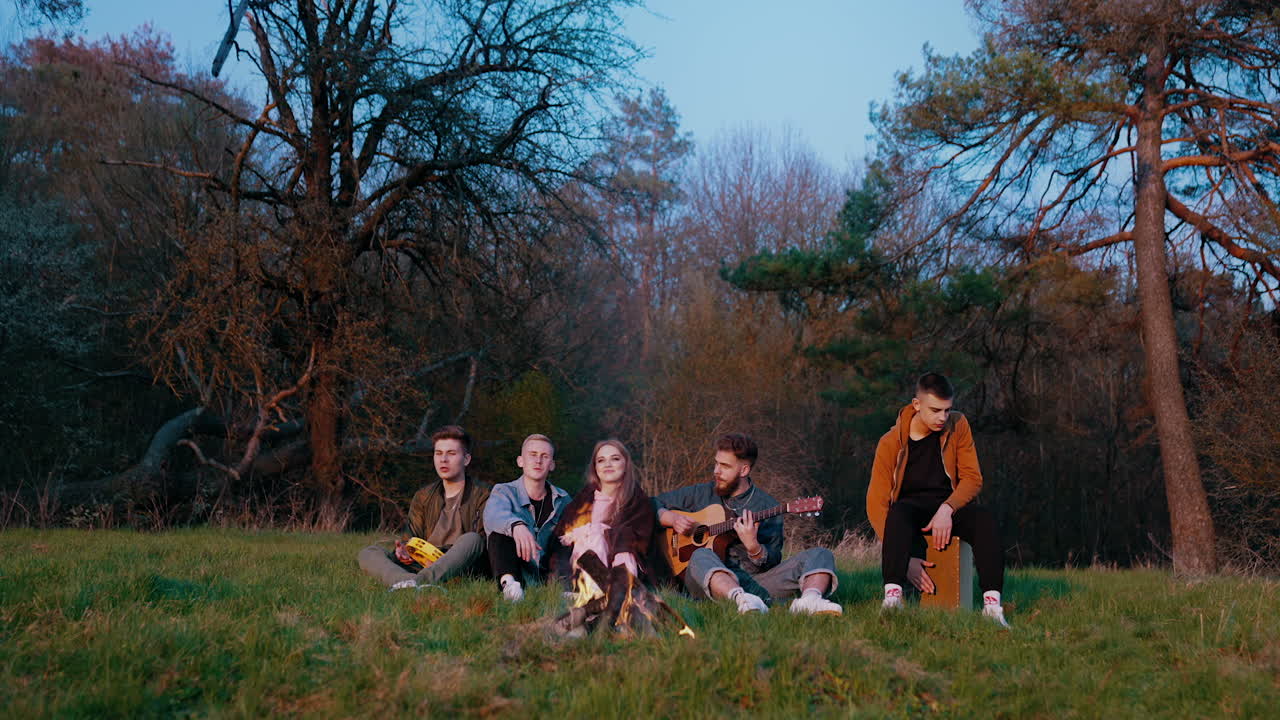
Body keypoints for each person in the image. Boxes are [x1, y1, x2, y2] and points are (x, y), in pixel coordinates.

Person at [867, 372, 1009, 627]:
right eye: (935, 410)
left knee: (984, 520)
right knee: (897, 512)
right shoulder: (890, 443)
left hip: (947, 507)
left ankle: (992, 608)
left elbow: (972, 479)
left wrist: (947, 508)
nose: (942, 418)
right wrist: (905, 560)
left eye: (947, 410)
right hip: (909, 512)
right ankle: (892, 601)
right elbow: (876, 504)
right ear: (917, 404)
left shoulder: (958, 425)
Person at [654, 433, 842, 616]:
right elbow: (648, 504)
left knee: (821, 554)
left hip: (755, 582)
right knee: (702, 553)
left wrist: (754, 547)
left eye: (725, 466)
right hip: (705, 581)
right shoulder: (700, 493)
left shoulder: (768, 507)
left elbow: (773, 562)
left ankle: (809, 601)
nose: (716, 471)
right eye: (716, 463)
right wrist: (671, 519)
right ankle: (739, 599)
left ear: (744, 470)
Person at [357, 425, 491, 590]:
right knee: (369, 552)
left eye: (451, 453)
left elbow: (481, 544)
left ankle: (419, 582)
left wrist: (437, 558)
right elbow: (411, 538)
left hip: (460, 568)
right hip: (421, 563)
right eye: (438, 453)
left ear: (466, 459)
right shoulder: (423, 496)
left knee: (472, 539)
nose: (443, 460)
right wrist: (405, 553)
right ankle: (405, 580)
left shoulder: (485, 494)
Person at [550, 439, 655, 583]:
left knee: (614, 536)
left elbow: (640, 543)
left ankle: (621, 590)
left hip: (624, 565)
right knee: (593, 536)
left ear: (626, 465)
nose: (607, 464)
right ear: (595, 467)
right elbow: (561, 538)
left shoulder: (637, 500)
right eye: (601, 460)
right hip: (581, 567)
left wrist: (605, 532)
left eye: (615, 459)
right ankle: (597, 589)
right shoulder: (583, 500)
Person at [482, 433, 572, 602]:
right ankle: (510, 586)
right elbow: (492, 516)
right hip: (517, 566)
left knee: (568, 536)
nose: (538, 461)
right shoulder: (504, 491)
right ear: (520, 461)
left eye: (544, 456)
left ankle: (563, 589)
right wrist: (517, 526)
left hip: (548, 571)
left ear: (552, 465)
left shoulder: (562, 499)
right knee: (500, 532)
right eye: (532, 455)